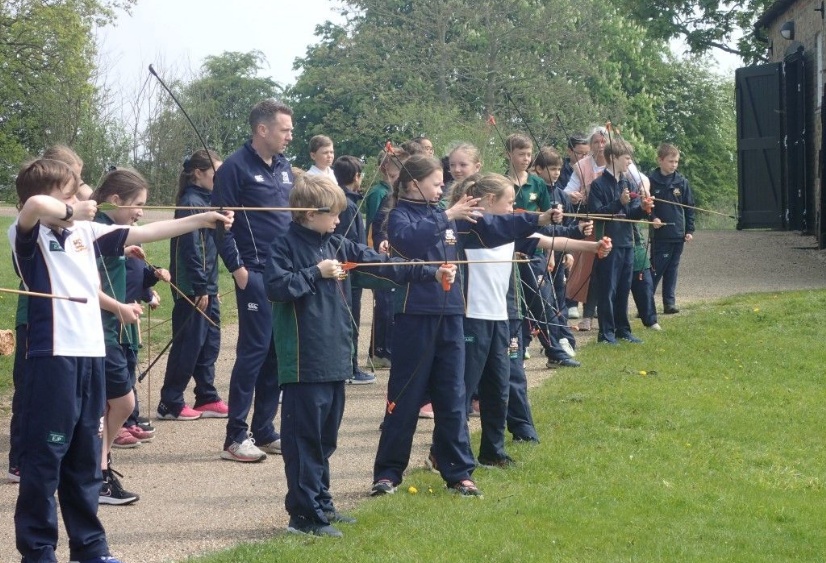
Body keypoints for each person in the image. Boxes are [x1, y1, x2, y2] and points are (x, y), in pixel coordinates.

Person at [9, 158, 232, 563]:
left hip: (91, 357)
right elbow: (33, 207)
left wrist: (201, 219)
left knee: (84, 459)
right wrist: (69, 210)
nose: (82, 199)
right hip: (53, 357)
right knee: (46, 461)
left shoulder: (84, 231)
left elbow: (147, 230)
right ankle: (38, 551)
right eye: (71, 192)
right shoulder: (29, 233)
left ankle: (90, 547)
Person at [265, 173, 455, 537]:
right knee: (304, 441)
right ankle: (303, 517)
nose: (339, 219)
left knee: (325, 439)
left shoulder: (337, 243)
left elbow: (379, 264)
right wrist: (315, 273)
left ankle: (321, 504)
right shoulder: (284, 246)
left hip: (335, 358)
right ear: (307, 214)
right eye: (333, 213)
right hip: (305, 363)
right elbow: (276, 288)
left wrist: (430, 272)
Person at [451, 172, 606, 466]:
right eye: (510, 202)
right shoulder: (473, 225)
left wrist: (592, 247)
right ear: (490, 200)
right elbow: (500, 225)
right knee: (464, 388)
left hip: (500, 318)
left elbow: (552, 242)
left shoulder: (509, 228)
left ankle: (492, 452)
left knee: (498, 388)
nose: (513, 208)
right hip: (472, 318)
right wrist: (540, 217)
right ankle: (446, 453)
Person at [371, 153, 485, 498]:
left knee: (452, 397)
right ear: (414, 184)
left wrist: (538, 220)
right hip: (414, 316)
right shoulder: (396, 215)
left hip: (450, 315)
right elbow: (410, 242)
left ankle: (459, 472)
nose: (442, 189)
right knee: (404, 399)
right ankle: (388, 473)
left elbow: (495, 227)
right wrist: (448, 215)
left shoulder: (442, 214)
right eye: (437, 183)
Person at [212, 99, 295, 462]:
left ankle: (264, 430)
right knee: (253, 353)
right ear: (262, 129)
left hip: (283, 273)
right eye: (284, 129)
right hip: (254, 272)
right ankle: (235, 436)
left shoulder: (286, 167)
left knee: (277, 353)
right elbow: (220, 223)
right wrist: (237, 268)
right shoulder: (234, 167)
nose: (290, 135)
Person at [8, 145, 89, 483]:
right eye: (73, 180)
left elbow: (82, 199)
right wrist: (74, 206)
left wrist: (76, 192)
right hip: (37, 320)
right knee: (30, 393)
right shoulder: (30, 225)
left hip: (65, 326)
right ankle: (21, 457)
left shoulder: (61, 224)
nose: (81, 186)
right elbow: (38, 204)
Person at [157, 149, 229, 420]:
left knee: (209, 342)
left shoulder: (208, 200)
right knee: (189, 342)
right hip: (192, 285)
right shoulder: (190, 201)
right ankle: (170, 401)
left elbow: (210, 248)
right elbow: (190, 249)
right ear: (199, 173)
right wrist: (200, 286)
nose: (219, 179)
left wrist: (212, 285)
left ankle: (206, 396)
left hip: (207, 284)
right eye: (216, 173)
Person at [505, 134, 579, 369]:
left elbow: (548, 221)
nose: (525, 159)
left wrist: (553, 249)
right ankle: (514, 351)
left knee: (542, 303)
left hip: (535, 251)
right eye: (520, 154)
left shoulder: (537, 183)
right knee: (513, 306)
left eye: (528, 154)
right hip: (507, 252)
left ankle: (554, 351)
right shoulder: (500, 182)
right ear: (509, 155)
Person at [587, 138, 654, 345]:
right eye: (626, 158)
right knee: (608, 289)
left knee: (624, 288)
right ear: (613, 158)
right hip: (608, 244)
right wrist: (619, 202)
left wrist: (642, 208)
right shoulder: (598, 185)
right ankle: (606, 333)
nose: (629, 162)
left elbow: (630, 214)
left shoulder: (627, 182)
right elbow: (597, 214)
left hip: (627, 242)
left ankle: (622, 330)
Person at [331, 154, 376, 384]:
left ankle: (349, 365)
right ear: (356, 177)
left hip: (350, 268)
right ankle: (350, 367)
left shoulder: (347, 201)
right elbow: (348, 241)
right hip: (349, 270)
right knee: (351, 318)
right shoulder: (346, 205)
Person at [363, 147, 407, 369]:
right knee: (384, 303)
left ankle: (384, 349)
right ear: (384, 168)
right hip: (378, 252)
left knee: (389, 304)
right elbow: (373, 225)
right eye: (395, 163)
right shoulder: (379, 193)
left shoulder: (398, 191)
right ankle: (379, 350)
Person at [648, 143, 695, 314]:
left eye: (676, 162)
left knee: (672, 270)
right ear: (660, 160)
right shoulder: (650, 181)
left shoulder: (682, 182)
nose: (674, 165)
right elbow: (646, 206)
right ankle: (646, 304)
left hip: (678, 234)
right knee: (656, 269)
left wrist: (689, 231)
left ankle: (669, 303)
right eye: (670, 161)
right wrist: (653, 218)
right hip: (660, 234)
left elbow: (689, 208)